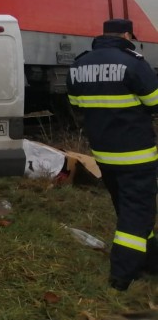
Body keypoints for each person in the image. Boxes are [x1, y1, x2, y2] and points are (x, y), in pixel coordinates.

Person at [66, 18, 158, 291]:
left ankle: (150, 261)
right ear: (127, 34)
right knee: (137, 212)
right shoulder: (133, 62)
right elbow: (155, 102)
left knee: (130, 209)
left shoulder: (80, 64)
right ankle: (122, 276)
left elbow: (75, 103)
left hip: (104, 156)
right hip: (137, 155)